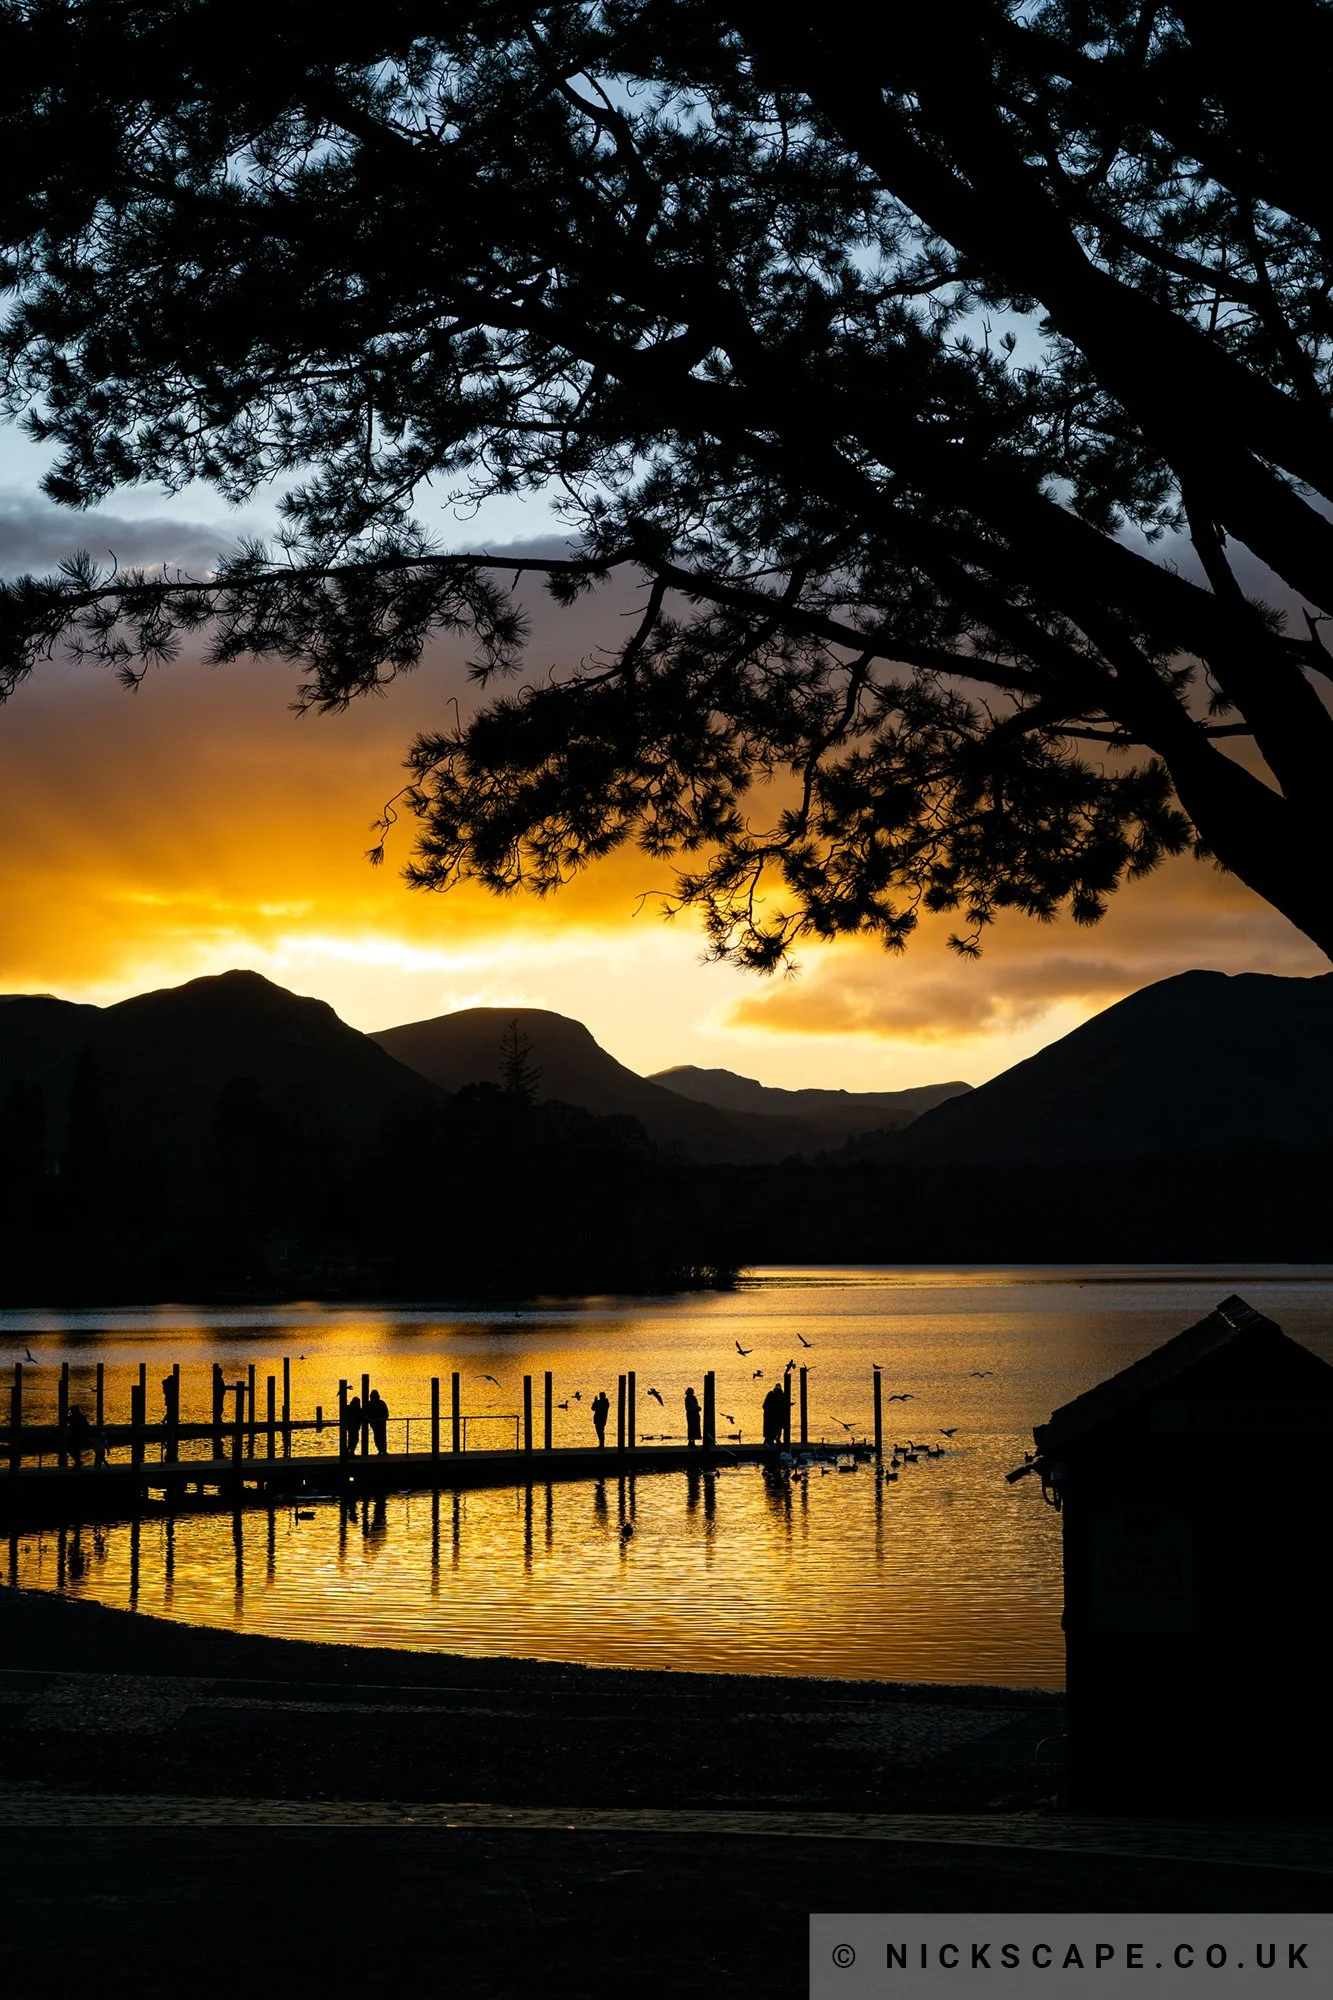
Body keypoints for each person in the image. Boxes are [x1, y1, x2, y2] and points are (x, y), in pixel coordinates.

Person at [66, 1403, 93, 1467]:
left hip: (75, 1437)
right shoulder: (82, 1417)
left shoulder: (72, 1418)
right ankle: (77, 1462)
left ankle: (77, 1462)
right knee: (75, 1450)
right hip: (81, 1436)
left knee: (72, 1449)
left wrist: (67, 1411)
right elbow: (87, 1427)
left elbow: (65, 1419)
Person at [367, 1389, 389, 1454]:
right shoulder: (381, 1403)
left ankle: (381, 1450)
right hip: (379, 1423)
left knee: (378, 1437)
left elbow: (386, 1414)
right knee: (381, 1437)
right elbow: (386, 1414)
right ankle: (382, 1450)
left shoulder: (370, 1404)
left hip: (377, 1423)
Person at [342, 1393, 362, 1457]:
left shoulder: (349, 1408)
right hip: (353, 1427)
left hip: (352, 1427)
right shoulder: (355, 1409)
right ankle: (350, 1452)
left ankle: (350, 1451)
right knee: (354, 1440)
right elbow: (361, 1416)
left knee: (353, 1440)